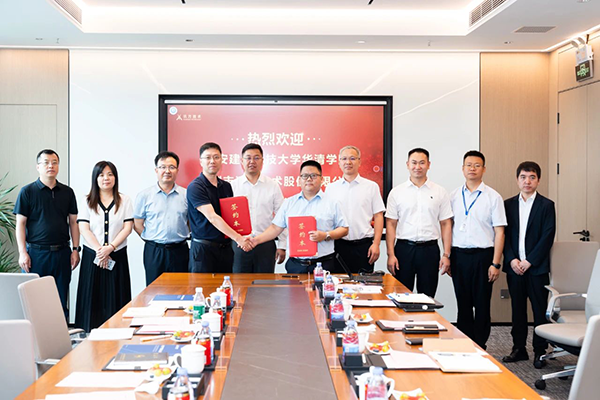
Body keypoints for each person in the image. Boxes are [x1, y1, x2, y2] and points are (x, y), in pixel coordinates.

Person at [449, 150, 506, 349]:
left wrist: (495, 263)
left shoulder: (493, 197)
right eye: (469, 165)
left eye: (477, 165)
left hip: (484, 257)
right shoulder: (453, 196)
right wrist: (448, 256)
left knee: (482, 304)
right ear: (462, 168)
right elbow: (447, 228)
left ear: (484, 169)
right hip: (459, 256)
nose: (472, 169)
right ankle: (465, 345)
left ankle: (481, 345)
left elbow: (500, 232)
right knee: (463, 304)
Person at [249, 160, 349, 273]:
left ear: (322, 179)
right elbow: (275, 228)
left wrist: (326, 235)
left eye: (313, 175)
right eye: (305, 176)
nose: (309, 179)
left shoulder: (332, 203)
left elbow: (344, 229)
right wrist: (255, 240)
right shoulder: (289, 203)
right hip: (296, 265)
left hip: (324, 264)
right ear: (299, 180)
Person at [14, 149, 80, 319]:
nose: (51, 166)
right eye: (46, 162)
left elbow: (73, 222)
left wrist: (75, 249)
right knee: (34, 300)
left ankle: (61, 334)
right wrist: (22, 252)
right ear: (38, 166)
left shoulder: (67, 192)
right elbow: (20, 224)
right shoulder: (27, 192)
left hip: (62, 253)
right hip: (36, 254)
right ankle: (34, 335)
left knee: (60, 299)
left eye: (54, 162)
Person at [502, 161, 556, 367]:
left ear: (538, 180)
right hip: (514, 267)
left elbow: (547, 236)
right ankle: (519, 348)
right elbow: (504, 236)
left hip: (537, 268)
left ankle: (540, 351)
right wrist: (512, 260)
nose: (527, 181)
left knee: (539, 309)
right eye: (523, 177)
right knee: (517, 309)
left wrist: (530, 261)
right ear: (517, 180)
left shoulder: (546, 205)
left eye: (532, 177)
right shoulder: (507, 205)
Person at [385, 148, 453, 297]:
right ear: (407, 164)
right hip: (403, 250)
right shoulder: (397, 192)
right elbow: (391, 224)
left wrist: (446, 254)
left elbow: (446, 224)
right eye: (414, 163)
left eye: (422, 163)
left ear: (429, 165)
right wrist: (390, 254)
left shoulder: (439, 192)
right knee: (401, 296)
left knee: (427, 297)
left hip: (429, 250)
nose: (417, 167)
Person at [75, 161, 133, 332]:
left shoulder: (125, 200)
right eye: (101, 175)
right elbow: (83, 228)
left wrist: (110, 248)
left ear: (115, 177)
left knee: (117, 297)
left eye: (110, 174)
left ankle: (118, 333)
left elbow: (127, 228)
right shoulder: (87, 201)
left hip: (117, 255)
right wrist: (100, 251)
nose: (106, 178)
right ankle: (88, 336)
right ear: (95, 178)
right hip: (92, 256)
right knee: (91, 298)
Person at [187, 142, 250, 273]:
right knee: (202, 286)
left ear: (221, 160)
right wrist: (239, 238)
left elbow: (230, 216)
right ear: (201, 161)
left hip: (225, 249)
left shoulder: (226, 186)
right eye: (208, 157)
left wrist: (243, 234)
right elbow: (212, 217)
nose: (212, 161)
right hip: (203, 250)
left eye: (216, 157)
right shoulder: (196, 187)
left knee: (225, 285)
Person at [327, 145, 385, 273]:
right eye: (344, 159)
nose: (348, 162)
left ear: (359, 161)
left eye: (352, 158)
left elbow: (378, 216)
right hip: (338, 246)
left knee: (364, 284)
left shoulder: (371, 186)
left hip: (364, 247)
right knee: (338, 282)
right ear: (339, 162)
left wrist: (376, 244)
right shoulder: (331, 188)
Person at [134, 151, 189, 285]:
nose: (167, 171)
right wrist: (153, 239)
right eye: (163, 167)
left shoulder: (186, 195)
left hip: (179, 250)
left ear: (177, 170)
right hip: (154, 251)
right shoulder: (144, 195)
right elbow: (137, 224)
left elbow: (190, 222)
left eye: (171, 167)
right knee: (154, 290)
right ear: (156, 170)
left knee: (180, 289)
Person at [230, 143, 286, 273]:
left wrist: (282, 245)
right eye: (248, 158)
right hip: (239, 244)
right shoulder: (232, 186)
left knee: (264, 283)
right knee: (239, 283)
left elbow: (281, 216)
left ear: (262, 161)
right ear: (242, 161)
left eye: (256, 158)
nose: (252, 161)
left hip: (265, 244)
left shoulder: (272, 185)